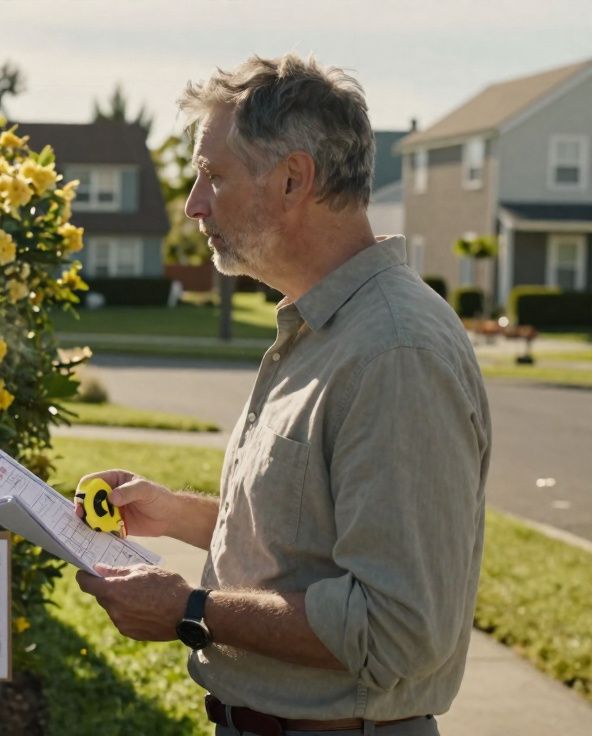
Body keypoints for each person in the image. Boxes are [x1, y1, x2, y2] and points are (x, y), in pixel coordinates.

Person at [74, 55, 491, 736]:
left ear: (294, 178)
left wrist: (191, 610)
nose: (193, 204)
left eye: (213, 176)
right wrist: (174, 513)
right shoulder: (325, 327)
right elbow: (307, 541)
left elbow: (396, 628)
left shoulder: (394, 353)